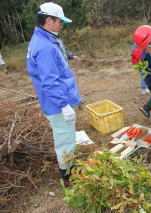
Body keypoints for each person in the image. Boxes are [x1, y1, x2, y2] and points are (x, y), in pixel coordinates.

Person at [26, 2, 82, 185]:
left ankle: (70, 167)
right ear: (49, 20)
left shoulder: (46, 39)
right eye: (60, 21)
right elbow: (49, 81)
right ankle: (68, 177)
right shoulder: (45, 47)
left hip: (57, 99)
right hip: (56, 103)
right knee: (64, 138)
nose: (62, 25)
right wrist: (64, 105)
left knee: (65, 135)